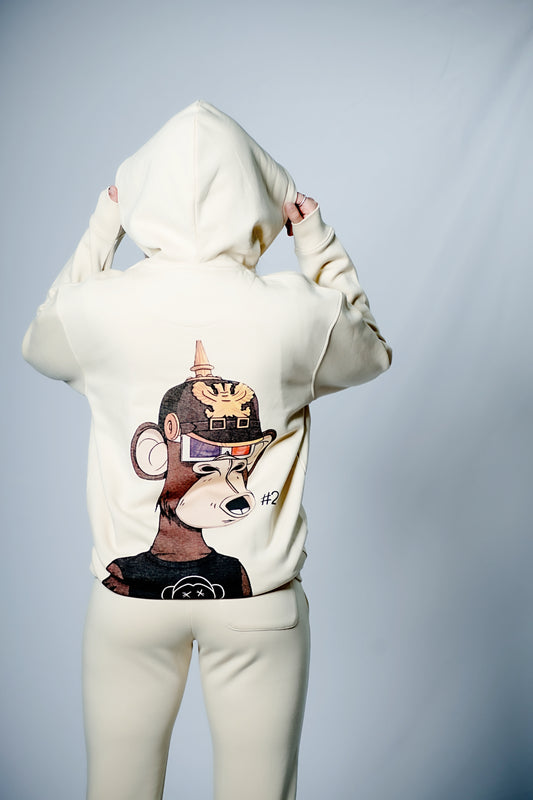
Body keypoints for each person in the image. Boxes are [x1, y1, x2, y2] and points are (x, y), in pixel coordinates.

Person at [22, 100, 392, 800]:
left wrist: (105, 224)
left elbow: (40, 338)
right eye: (206, 450)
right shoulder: (297, 311)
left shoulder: (98, 307)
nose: (226, 470)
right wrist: (315, 242)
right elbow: (370, 350)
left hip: (128, 604)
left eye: (234, 454)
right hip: (259, 604)